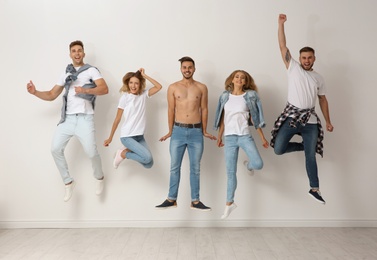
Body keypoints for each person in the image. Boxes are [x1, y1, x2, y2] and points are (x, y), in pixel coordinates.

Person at [26, 40, 109, 202]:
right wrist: (35, 92)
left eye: (79, 50)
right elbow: (51, 95)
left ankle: (99, 177)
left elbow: (104, 89)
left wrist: (85, 89)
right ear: (70, 54)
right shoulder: (66, 74)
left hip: (85, 118)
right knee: (55, 149)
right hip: (68, 119)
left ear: (83, 53)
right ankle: (68, 182)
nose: (77, 53)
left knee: (91, 152)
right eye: (74, 51)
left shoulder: (91, 71)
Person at [270, 14, 334, 204]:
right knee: (278, 149)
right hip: (291, 117)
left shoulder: (318, 78)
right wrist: (281, 24)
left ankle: (314, 188)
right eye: (303, 57)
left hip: (310, 121)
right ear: (299, 58)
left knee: (310, 158)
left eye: (309, 57)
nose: (306, 60)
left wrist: (329, 121)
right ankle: (307, 147)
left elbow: (323, 100)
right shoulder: (293, 68)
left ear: (314, 59)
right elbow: (282, 46)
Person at [156, 56, 217, 211]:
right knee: (174, 167)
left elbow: (204, 109)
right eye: (184, 67)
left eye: (190, 67)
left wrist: (204, 130)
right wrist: (170, 131)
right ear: (181, 69)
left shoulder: (202, 87)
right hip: (178, 131)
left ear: (194, 69)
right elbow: (171, 110)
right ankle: (171, 198)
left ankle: (195, 201)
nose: (187, 70)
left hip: (196, 132)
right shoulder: (173, 87)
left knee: (195, 168)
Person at [214, 70, 269, 219]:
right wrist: (219, 137)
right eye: (237, 76)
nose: (239, 79)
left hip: (245, 136)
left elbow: (255, 119)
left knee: (258, 164)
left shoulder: (250, 96)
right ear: (232, 79)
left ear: (245, 82)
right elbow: (222, 119)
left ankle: (247, 166)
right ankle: (229, 204)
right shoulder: (225, 97)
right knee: (230, 173)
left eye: (242, 78)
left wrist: (262, 138)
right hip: (229, 138)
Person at [103, 68, 162, 170]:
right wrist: (110, 138)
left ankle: (124, 153)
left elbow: (159, 87)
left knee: (149, 164)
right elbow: (117, 119)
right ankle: (123, 154)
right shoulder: (125, 98)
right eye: (131, 83)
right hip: (127, 136)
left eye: (136, 83)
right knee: (147, 157)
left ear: (140, 84)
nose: (133, 86)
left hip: (139, 136)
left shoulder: (143, 95)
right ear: (127, 83)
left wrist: (145, 76)